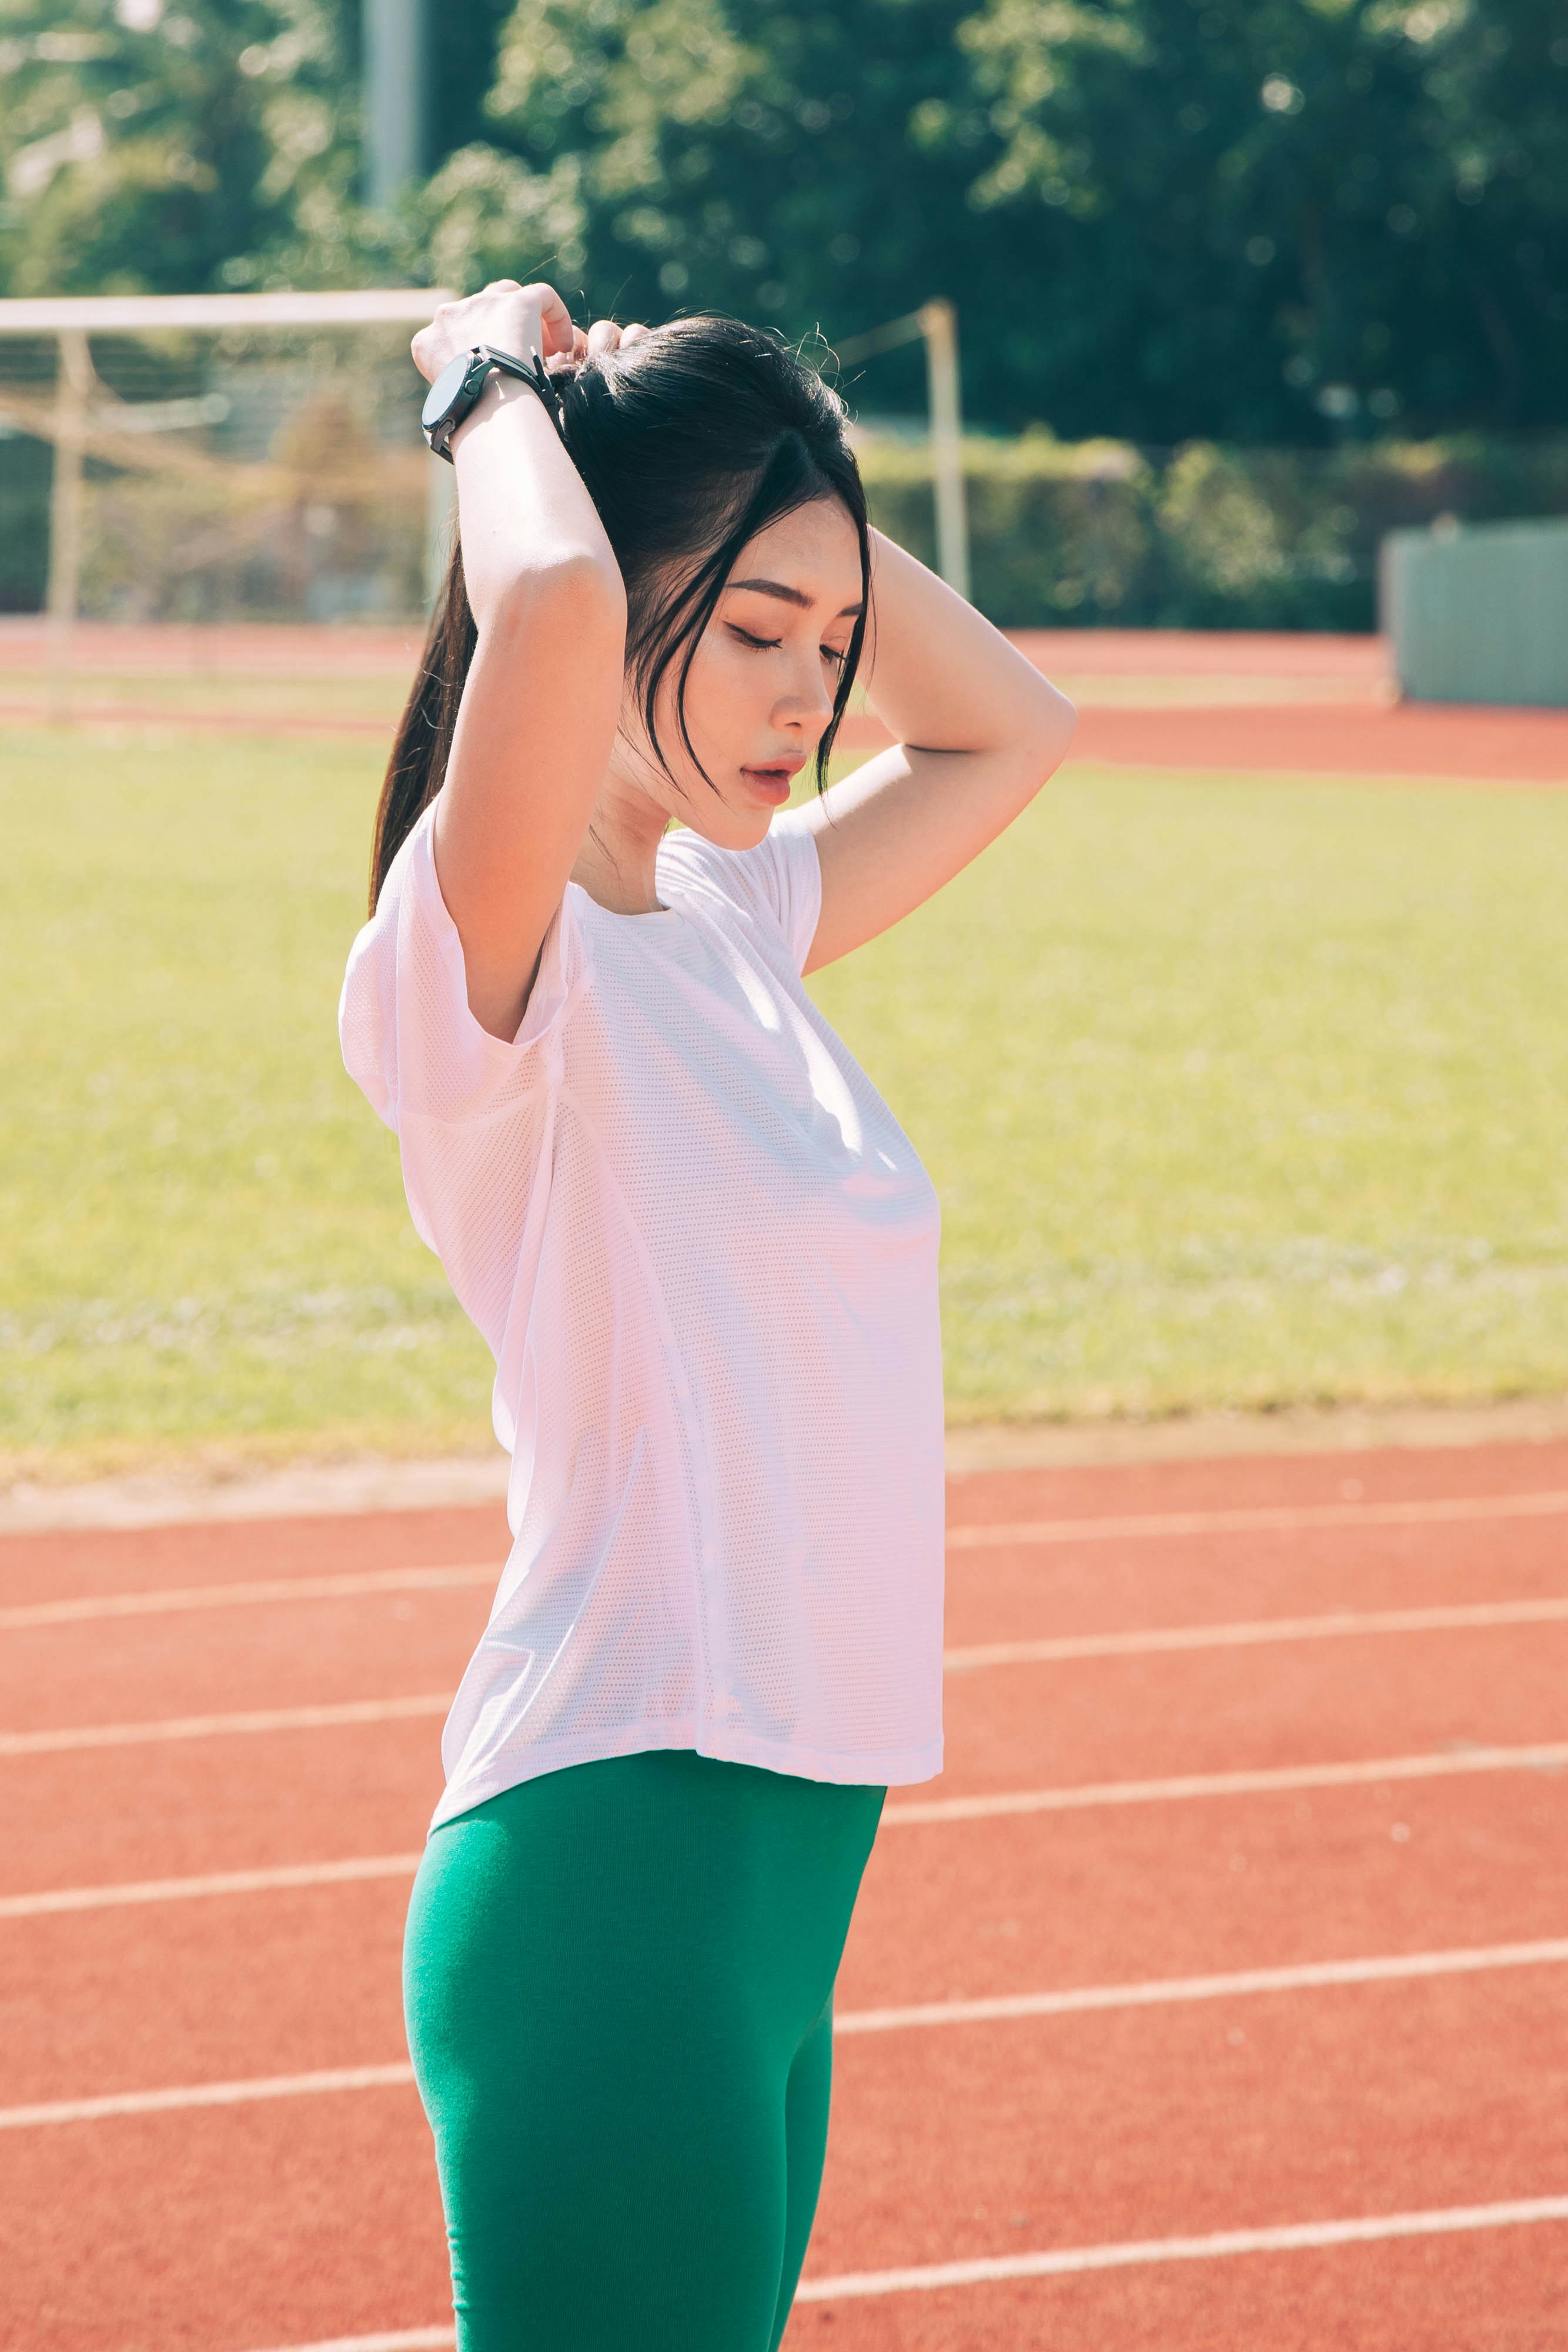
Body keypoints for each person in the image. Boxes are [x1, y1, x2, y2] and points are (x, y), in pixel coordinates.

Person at [339, 279, 1075, 2351]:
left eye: (826, 649)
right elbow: (557, 615)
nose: (803, 697)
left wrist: (781, 478)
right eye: (751, 635)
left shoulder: (735, 917)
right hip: (614, 1849)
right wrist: (494, 380)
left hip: (783, 1870)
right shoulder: (484, 958)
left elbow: (1012, 718)